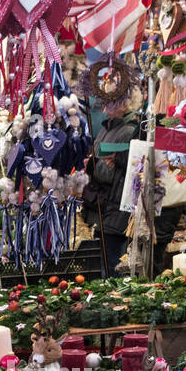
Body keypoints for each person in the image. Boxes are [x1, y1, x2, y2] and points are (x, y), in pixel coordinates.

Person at [82, 114, 138, 276]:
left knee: (112, 263)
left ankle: (114, 297)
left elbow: (110, 175)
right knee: (106, 260)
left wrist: (94, 166)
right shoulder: (106, 129)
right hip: (105, 208)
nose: (105, 106)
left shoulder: (126, 132)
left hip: (116, 208)